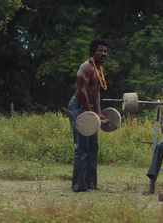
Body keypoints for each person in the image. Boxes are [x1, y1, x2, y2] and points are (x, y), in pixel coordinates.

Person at [67, 39, 108, 192]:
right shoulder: (85, 68)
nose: (103, 53)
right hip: (78, 107)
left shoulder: (99, 69)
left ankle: (91, 184)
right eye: (100, 51)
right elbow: (81, 92)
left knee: (93, 146)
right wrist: (88, 110)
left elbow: (96, 92)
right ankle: (79, 186)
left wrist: (98, 112)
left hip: (88, 108)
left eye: (105, 51)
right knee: (82, 147)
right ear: (92, 52)